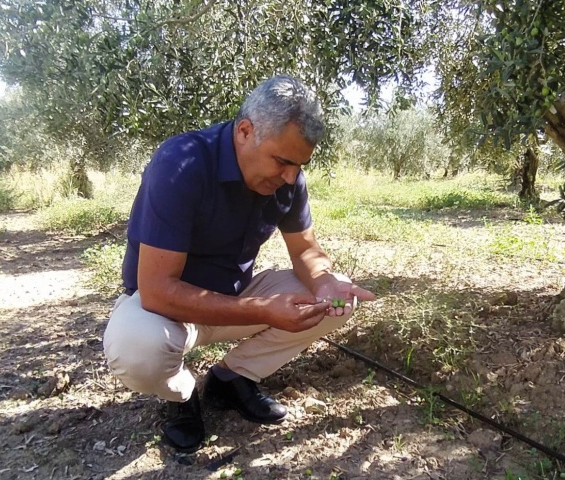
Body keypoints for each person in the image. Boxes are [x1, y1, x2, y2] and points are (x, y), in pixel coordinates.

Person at [103, 74, 375, 454]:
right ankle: (181, 396)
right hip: (166, 310)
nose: (291, 176)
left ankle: (231, 377)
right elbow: (157, 290)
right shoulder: (181, 163)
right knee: (137, 349)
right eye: (283, 161)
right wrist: (263, 309)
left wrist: (324, 282)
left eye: (299, 165)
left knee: (334, 301)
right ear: (245, 131)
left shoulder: (288, 178)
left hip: (235, 295)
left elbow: (305, 251)